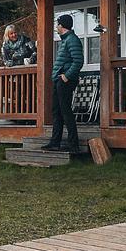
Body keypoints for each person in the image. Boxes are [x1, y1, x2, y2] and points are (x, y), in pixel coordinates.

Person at [47, 13, 84, 153]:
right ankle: (54, 142)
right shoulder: (66, 40)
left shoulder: (72, 40)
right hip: (58, 80)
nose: (56, 27)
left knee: (66, 111)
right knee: (56, 111)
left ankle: (73, 145)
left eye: (57, 24)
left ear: (62, 25)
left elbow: (78, 61)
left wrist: (67, 76)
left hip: (65, 81)